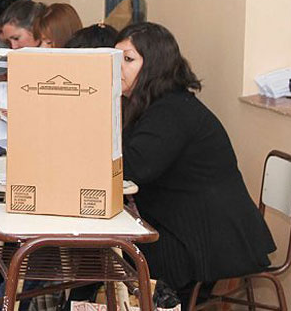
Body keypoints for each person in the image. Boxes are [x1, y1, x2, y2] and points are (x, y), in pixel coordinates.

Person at [116, 22, 276, 307]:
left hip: (206, 238)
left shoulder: (171, 111)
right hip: (185, 224)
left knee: (113, 254)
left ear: (155, 66)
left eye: (128, 59)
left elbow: (134, 169)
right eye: (115, 59)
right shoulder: (149, 104)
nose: (118, 68)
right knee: (109, 251)